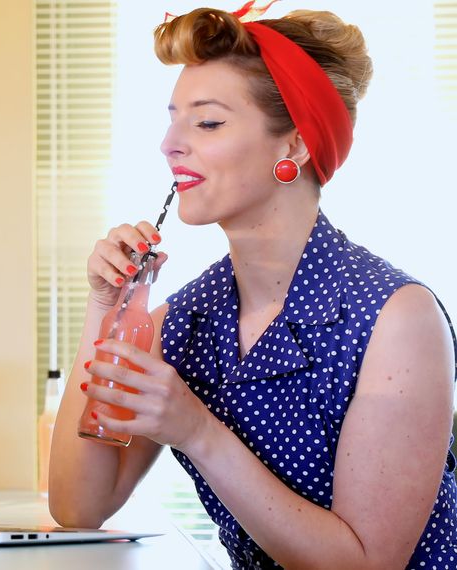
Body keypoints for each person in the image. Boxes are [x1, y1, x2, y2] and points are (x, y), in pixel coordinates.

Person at [47, 5, 457, 569]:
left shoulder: (396, 318)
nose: (169, 144)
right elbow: (79, 506)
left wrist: (195, 429)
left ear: (293, 146)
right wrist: (106, 309)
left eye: (207, 122)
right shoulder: (184, 320)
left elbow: (367, 564)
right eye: (172, 119)